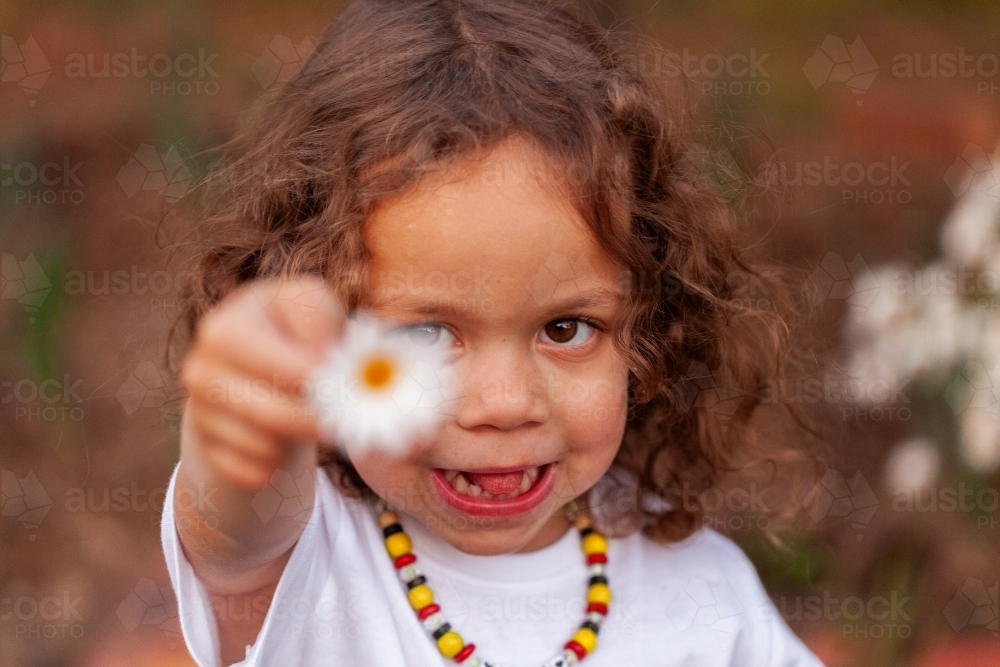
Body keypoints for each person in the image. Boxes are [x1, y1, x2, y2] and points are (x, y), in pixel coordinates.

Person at [162, 1, 825, 665]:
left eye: (566, 328)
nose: (505, 403)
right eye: (425, 333)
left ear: (647, 325)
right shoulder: (309, 554)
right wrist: (241, 434)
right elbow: (232, 527)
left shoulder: (700, 587)